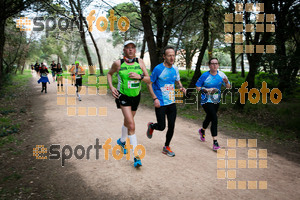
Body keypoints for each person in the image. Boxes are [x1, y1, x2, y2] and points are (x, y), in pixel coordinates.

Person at [107, 40, 150, 168]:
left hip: (136, 97)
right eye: (128, 48)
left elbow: (149, 79)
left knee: (128, 122)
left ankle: (121, 141)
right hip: (123, 96)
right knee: (131, 124)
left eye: (132, 48)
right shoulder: (118, 63)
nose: (130, 50)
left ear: (135, 50)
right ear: (124, 50)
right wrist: (111, 87)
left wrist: (140, 76)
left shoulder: (140, 62)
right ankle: (137, 157)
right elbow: (109, 74)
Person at [146, 46, 186, 157]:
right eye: (169, 55)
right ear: (164, 56)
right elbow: (149, 83)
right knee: (162, 126)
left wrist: (181, 87)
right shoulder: (158, 69)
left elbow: (177, 81)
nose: (172, 57)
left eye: (173, 55)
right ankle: (152, 126)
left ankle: (166, 146)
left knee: (172, 126)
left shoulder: (175, 69)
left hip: (172, 102)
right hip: (161, 102)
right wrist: (155, 98)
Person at [195, 58, 231, 151]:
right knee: (214, 118)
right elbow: (198, 87)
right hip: (205, 100)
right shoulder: (205, 75)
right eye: (212, 63)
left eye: (216, 63)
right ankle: (215, 142)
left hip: (216, 100)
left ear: (218, 65)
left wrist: (226, 82)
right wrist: (206, 90)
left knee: (210, 117)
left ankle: (202, 130)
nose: (214, 65)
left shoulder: (221, 74)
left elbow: (228, 87)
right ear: (209, 65)